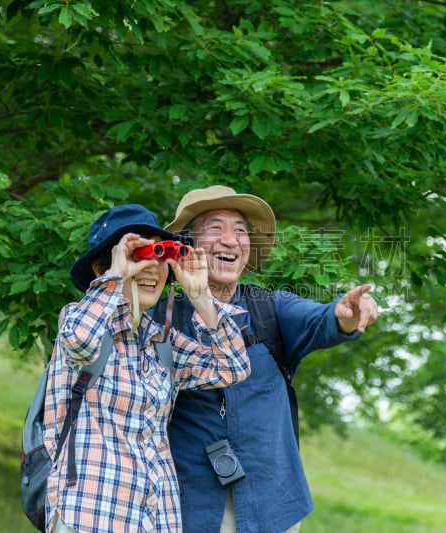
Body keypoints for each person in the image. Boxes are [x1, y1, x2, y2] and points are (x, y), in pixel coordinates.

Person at [157, 185, 379, 533]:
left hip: (273, 505)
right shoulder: (160, 317)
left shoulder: (269, 307)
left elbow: (322, 319)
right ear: (187, 243)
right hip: (187, 506)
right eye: (215, 228)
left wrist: (346, 313)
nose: (230, 240)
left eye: (241, 230)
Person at [43, 203, 251, 533]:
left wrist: (200, 295)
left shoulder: (161, 343)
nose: (153, 266)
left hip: (155, 518)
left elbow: (233, 368)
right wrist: (117, 274)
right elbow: (81, 341)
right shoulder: (79, 319)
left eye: (161, 254)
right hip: (91, 516)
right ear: (103, 267)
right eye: (141, 254)